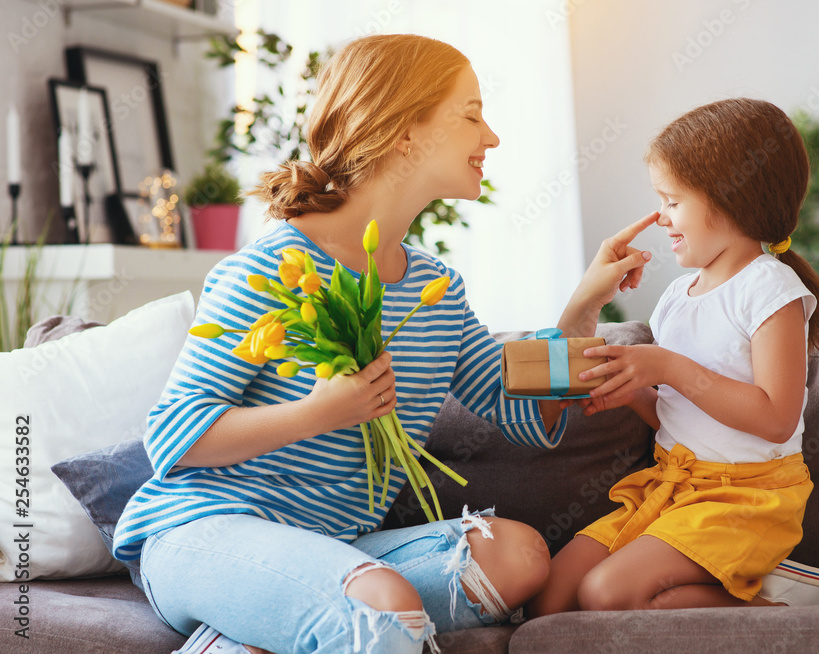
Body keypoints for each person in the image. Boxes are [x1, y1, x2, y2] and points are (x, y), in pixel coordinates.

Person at [111, 34, 634, 654]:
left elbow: (517, 409)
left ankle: (264, 627)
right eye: (470, 114)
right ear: (401, 131)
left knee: (516, 552)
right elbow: (173, 437)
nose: (490, 137)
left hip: (336, 547)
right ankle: (305, 610)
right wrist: (320, 413)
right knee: (384, 600)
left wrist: (581, 310)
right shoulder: (271, 272)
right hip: (204, 532)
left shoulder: (434, 288)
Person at [528, 97, 819, 617]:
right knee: (547, 603)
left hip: (745, 499)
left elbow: (775, 418)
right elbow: (681, 414)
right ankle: (739, 584)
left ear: (732, 199)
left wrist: (668, 367)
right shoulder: (676, 298)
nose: (661, 218)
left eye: (672, 200)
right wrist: (637, 393)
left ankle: (780, 596)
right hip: (672, 486)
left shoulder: (771, 289)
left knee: (605, 594)